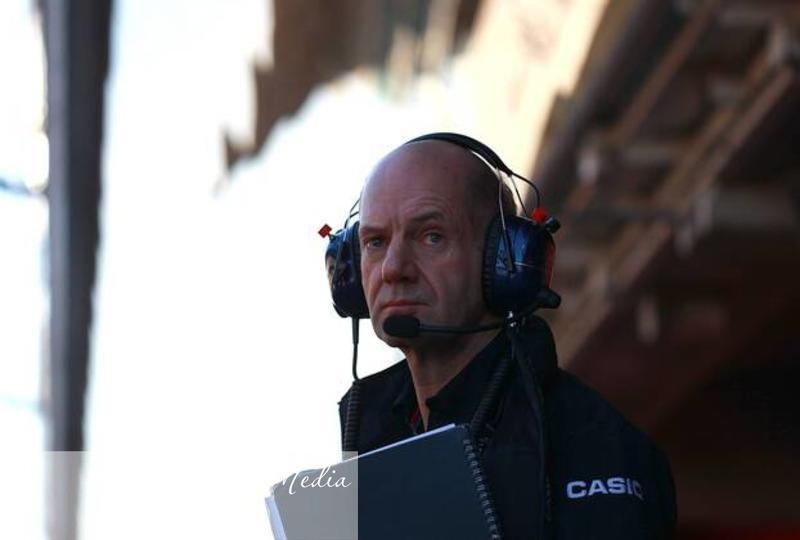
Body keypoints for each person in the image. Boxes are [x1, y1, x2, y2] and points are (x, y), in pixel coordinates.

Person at [334, 134, 677, 539]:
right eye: (375, 242)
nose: (392, 268)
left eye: (431, 236)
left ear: (505, 259)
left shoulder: (594, 446)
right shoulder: (374, 433)